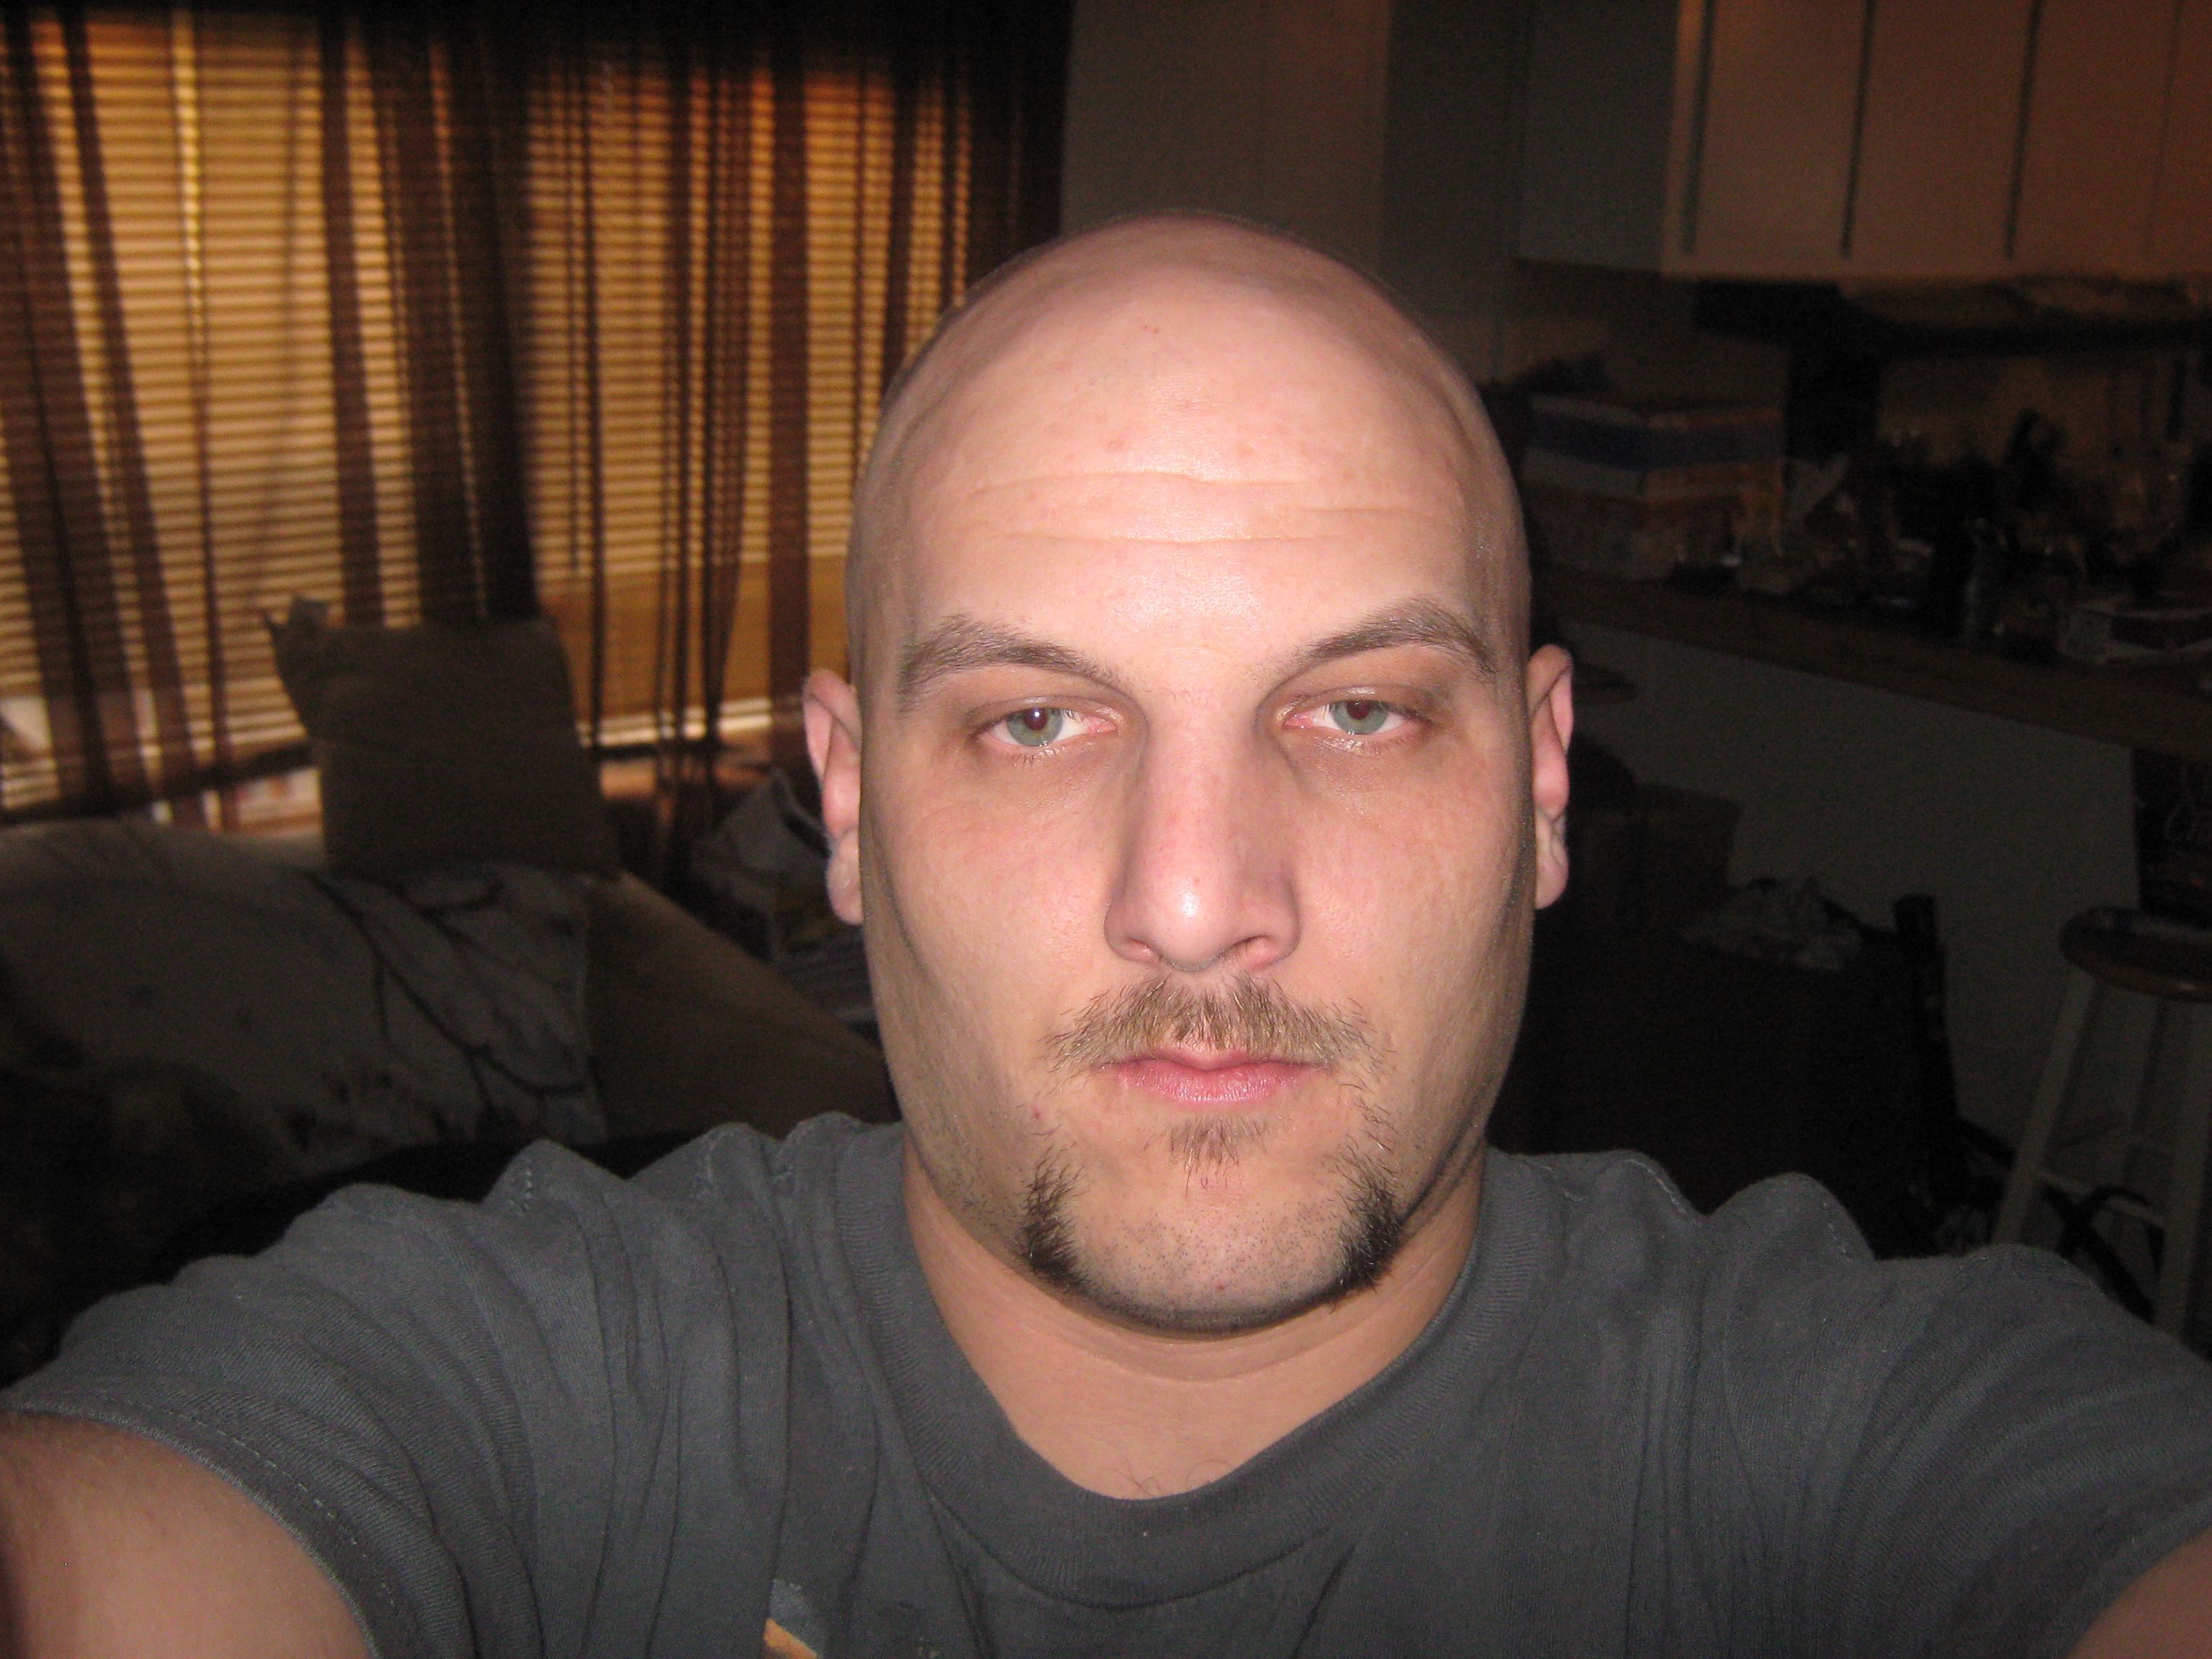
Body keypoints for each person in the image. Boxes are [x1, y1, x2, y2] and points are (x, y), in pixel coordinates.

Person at [4, 212, 2211, 1659]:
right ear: (849, 804)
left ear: (1544, 784)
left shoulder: (1853, 1440)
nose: (1196, 898)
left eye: (1357, 710)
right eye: (1038, 720)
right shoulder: (518, 1391)